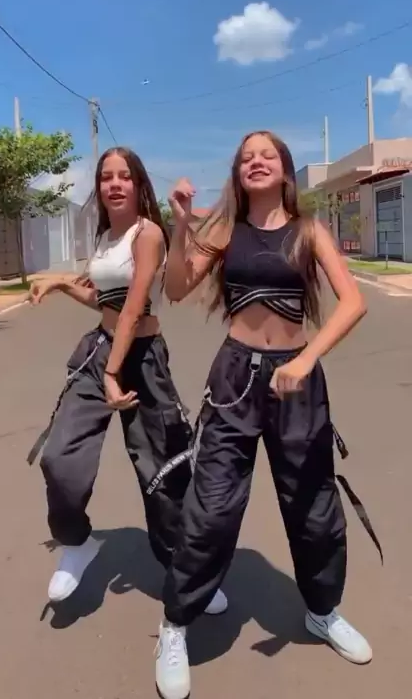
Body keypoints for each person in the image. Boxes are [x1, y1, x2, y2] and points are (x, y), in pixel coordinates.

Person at [155, 131, 381, 699]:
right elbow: (176, 287)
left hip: (297, 381)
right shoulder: (224, 231)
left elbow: (353, 302)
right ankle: (175, 624)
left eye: (268, 156)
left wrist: (305, 358)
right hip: (235, 378)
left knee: (313, 506)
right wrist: (180, 225)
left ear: (284, 170)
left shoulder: (308, 231)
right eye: (247, 157)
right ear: (237, 172)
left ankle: (323, 612)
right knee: (211, 507)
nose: (256, 162)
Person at [28, 146, 227, 615]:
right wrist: (62, 283)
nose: (114, 184)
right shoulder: (105, 237)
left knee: (163, 470)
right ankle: (77, 542)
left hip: (141, 360)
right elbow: (107, 302)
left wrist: (114, 373)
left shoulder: (148, 233)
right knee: (59, 457)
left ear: (139, 185)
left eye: (123, 176)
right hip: (100, 350)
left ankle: (186, 573)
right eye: (106, 177)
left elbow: (136, 307)